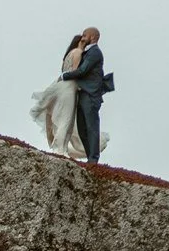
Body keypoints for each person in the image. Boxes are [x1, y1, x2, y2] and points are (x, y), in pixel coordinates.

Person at [27, 34, 89, 161]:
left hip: (62, 86)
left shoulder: (68, 55)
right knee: (66, 120)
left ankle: (61, 148)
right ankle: (61, 149)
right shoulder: (78, 52)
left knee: (62, 119)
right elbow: (76, 72)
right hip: (70, 88)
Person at [60, 26, 113, 164]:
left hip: (91, 95)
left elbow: (83, 70)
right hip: (82, 93)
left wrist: (65, 76)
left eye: (85, 35)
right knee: (82, 128)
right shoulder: (87, 52)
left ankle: (93, 160)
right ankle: (90, 156)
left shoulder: (95, 53)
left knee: (91, 127)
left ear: (93, 37)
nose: (82, 38)